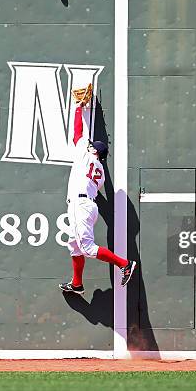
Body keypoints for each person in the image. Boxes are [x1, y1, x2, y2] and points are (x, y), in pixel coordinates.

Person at [59, 94, 136, 295]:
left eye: (91, 145)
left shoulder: (85, 155)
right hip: (89, 206)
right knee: (74, 245)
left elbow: (77, 133)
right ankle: (77, 284)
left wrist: (79, 108)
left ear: (93, 150)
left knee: (87, 249)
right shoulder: (100, 172)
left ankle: (124, 264)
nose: (88, 145)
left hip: (80, 205)